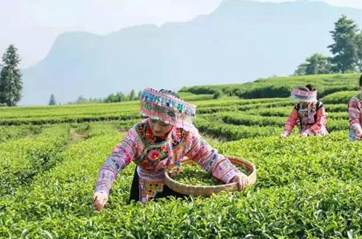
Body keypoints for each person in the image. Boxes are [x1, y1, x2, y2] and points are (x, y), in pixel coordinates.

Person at [93, 88, 250, 211]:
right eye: (153, 120)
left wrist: (233, 174)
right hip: (145, 184)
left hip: (175, 183)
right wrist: (102, 189)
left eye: (164, 124)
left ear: (175, 121)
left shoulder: (185, 134)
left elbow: (208, 157)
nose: (156, 128)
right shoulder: (138, 134)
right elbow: (114, 161)